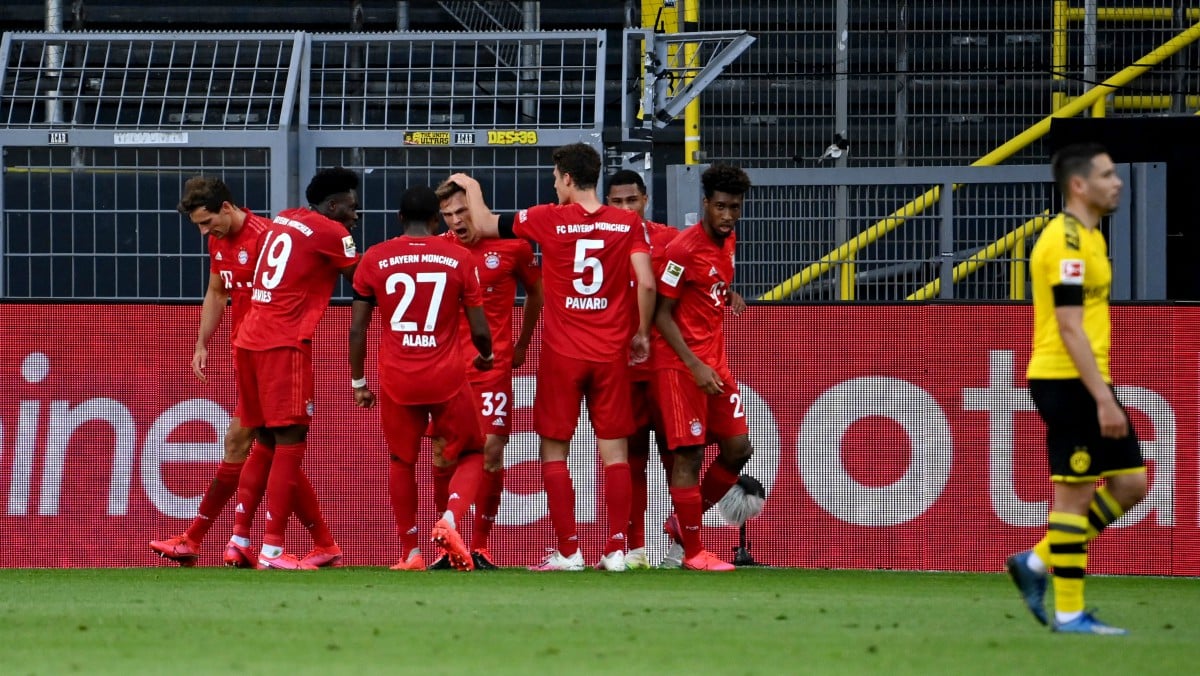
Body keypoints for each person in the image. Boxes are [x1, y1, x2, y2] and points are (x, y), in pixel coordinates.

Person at [449, 142, 656, 572]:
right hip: (610, 353)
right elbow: (648, 283)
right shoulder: (627, 222)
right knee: (615, 454)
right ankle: (617, 549)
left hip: (563, 354)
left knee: (554, 452)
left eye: (554, 177)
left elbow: (485, 223)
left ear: (564, 177)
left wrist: (470, 186)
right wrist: (640, 333)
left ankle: (569, 551)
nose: (553, 184)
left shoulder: (547, 218)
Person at [1006, 142, 1147, 634]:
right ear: (1079, 185)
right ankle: (1069, 612)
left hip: (1086, 379)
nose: (1118, 181)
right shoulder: (1063, 241)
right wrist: (1103, 397)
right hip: (1065, 379)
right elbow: (1069, 326)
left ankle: (1038, 561)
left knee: (1132, 483)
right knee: (1076, 497)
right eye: (1107, 174)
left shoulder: (1090, 238)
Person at [349, 185, 493, 572]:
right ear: (436, 220)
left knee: (401, 462)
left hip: (397, 379)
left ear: (399, 218)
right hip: (445, 377)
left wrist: (358, 383)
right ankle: (449, 518)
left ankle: (410, 553)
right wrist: (486, 355)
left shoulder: (374, 259)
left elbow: (357, 331)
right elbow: (479, 329)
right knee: (473, 452)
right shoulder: (460, 258)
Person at [231, 167, 362, 570]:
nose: (356, 216)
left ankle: (239, 539)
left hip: (249, 337)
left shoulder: (284, 216)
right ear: (334, 205)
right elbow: (363, 281)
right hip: (283, 343)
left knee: (268, 444)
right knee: (290, 442)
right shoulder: (333, 233)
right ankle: (273, 548)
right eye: (352, 208)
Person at [149, 177, 272, 568]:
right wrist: (203, 343)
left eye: (207, 222)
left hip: (271, 356)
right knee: (272, 445)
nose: (205, 231)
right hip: (245, 356)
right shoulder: (217, 241)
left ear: (226, 207)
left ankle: (198, 538)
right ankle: (317, 543)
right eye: (198, 226)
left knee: (240, 442)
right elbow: (218, 291)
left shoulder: (266, 238)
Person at [425, 178, 544, 570]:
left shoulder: (514, 246)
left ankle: (479, 544)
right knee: (444, 456)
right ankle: (447, 547)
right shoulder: (440, 249)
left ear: (477, 206)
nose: (457, 221)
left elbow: (537, 293)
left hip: (492, 367)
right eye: (448, 214)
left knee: (491, 452)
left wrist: (523, 344)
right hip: (446, 371)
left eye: (462, 211)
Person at [652, 163, 755, 572]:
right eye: (721, 207)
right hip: (681, 366)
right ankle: (693, 553)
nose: (728, 215)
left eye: (735, 207)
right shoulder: (681, 250)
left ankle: (682, 524)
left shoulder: (729, 243)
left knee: (738, 449)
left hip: (715, 364)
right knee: (689, 457)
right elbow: (662, 315)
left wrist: (728, 294)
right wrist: (694, 365)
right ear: (706, 204)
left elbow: (710, 280)